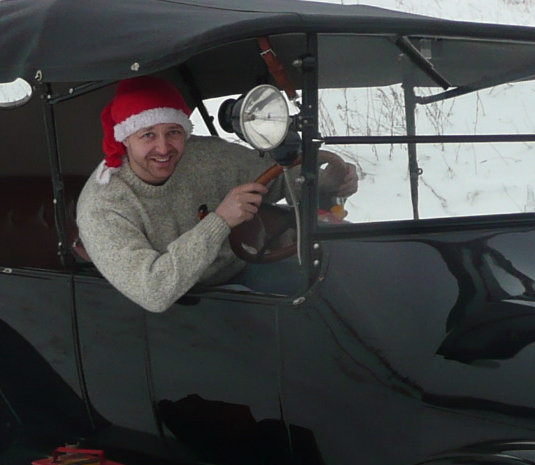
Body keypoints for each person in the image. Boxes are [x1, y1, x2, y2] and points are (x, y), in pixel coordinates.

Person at [75, 76, 355, 312]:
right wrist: (220, 221)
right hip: (179, 303)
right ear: (125, 138)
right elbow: (154, 292)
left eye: (173, 132)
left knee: (333, 289)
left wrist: (328, 179)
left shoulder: (209, 156)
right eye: (148, 135)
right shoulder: (103, 206)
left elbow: (278, 179)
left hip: (239, 269)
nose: (163, 148)